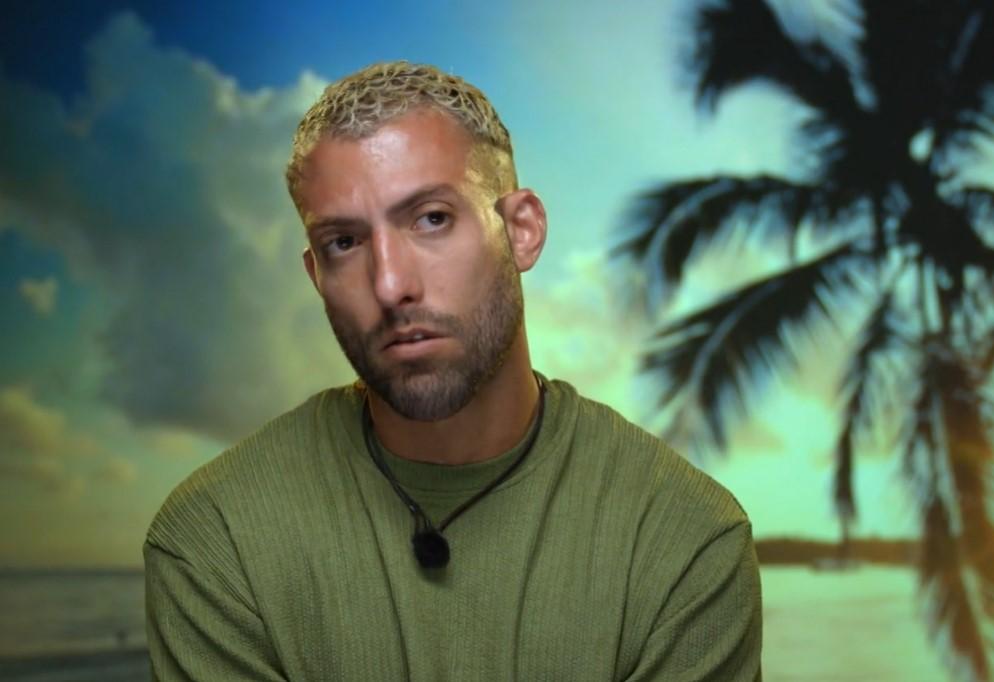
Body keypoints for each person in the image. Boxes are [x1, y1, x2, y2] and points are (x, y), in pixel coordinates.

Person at [144, 61, 762, 681]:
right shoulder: (218, 537)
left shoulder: (685, 540)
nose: (390, 285)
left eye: (431, 219)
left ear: (522, 230)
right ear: (316, 277)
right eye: (344, 243)